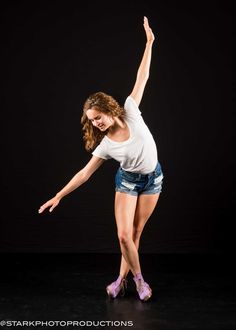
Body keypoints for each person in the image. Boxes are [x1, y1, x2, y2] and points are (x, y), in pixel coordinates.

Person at [38, 16, 164, 302]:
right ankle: (140, 281)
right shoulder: (106, 145)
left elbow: (142, 76)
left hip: (153, 179)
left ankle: (120, 280)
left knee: (135, 233)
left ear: (109, 109)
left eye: (98, 118)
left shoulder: (130, 110)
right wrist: (59, 195)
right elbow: (84, 174)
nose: (96, 124)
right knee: (123, 237)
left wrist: (149, 43)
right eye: (92, 122)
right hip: (128, 183)